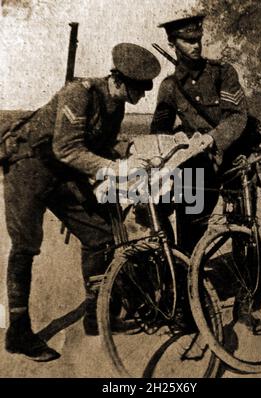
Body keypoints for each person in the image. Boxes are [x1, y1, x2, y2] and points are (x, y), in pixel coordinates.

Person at [2, 43, 161, 362]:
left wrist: (128, 151)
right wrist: (114, 170)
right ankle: (18, 331)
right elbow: (68, 148)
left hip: (62, 174)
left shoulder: (117, 105)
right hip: (28, 165)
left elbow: (101, 142)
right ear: (119, 78)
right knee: (26, 246)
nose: (142, 96)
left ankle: (96, 314)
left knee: (99, 234)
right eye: (138, 88)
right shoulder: (81, 93)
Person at [151, 11, 256, 254]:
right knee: (191, 228)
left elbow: (237, 116)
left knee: (243, 227)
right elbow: (159, 130)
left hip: (232, 157)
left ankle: (251, 285)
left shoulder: (222, 72)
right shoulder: (169, 86)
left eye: (198, 39)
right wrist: (177, 139)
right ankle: (189, 279)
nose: (196, 45)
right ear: (172, 43)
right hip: (199, 165)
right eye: (188, 41)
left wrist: (212, 138)